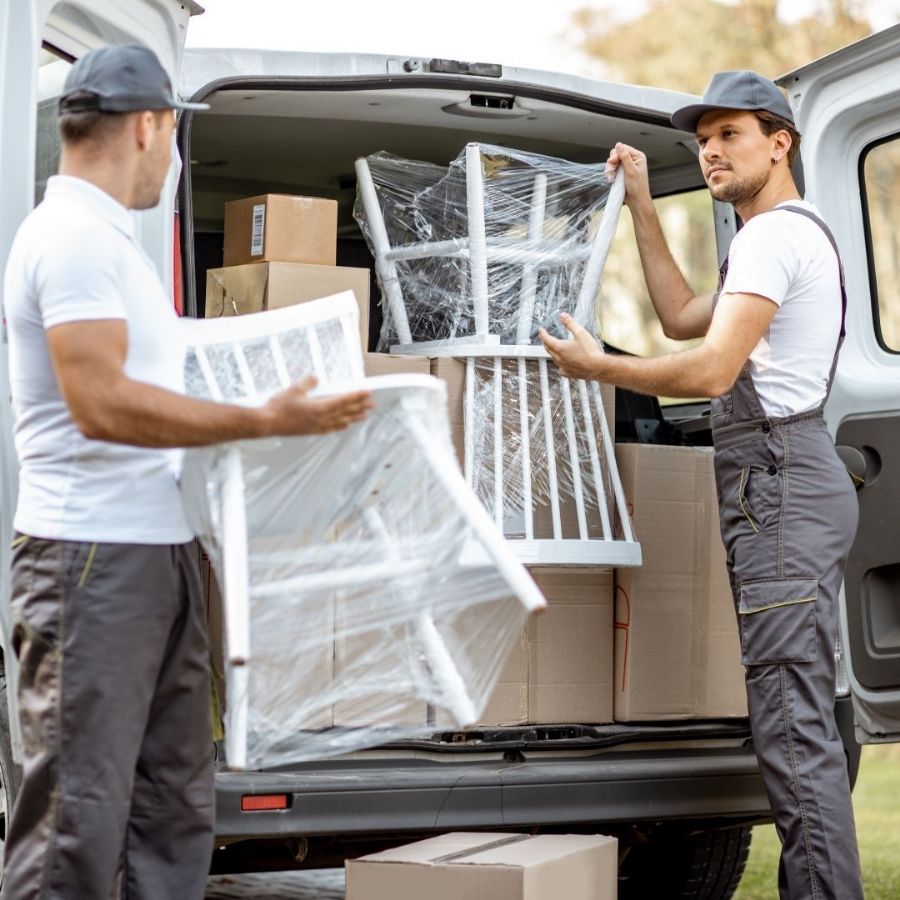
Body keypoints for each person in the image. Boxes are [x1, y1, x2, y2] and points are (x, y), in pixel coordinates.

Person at [1, 44, 372, 900]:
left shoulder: (111, 243)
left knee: (169, 806)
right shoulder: (71, 239)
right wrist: (263, 421)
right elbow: (102, 402)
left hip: (155, 552)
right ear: (148, 127)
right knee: (77, 819)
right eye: (173, 134)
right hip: (91, 561)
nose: (169, 154)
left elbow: (155, 387)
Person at [541, 71, 863, 900]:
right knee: (794, 723)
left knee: (792, 732)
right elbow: (683, 316)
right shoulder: (784, 235)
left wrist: (598, 368)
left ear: (780, 143)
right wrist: (643, 204)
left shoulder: (771, 238)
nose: (711, 152)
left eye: (729, 135)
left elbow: (713, 369)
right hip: (790, 478)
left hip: (780, 481)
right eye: (702, 141)